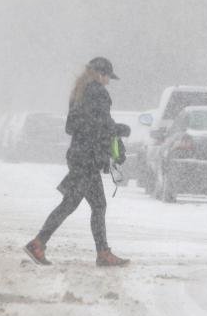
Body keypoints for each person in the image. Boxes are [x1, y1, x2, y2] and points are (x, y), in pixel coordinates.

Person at [24, 57, 130, 267]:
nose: (108, 81)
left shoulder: (79, 92)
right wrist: (119, 131)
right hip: (87, 159)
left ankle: (99, 252)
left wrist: (103, 132)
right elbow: (102, 124)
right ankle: (41, 244)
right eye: (108, 77)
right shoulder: (98, 92)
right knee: (81, 205)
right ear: (101, 74)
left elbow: (72, 127)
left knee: (87, 205)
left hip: (79, 155)